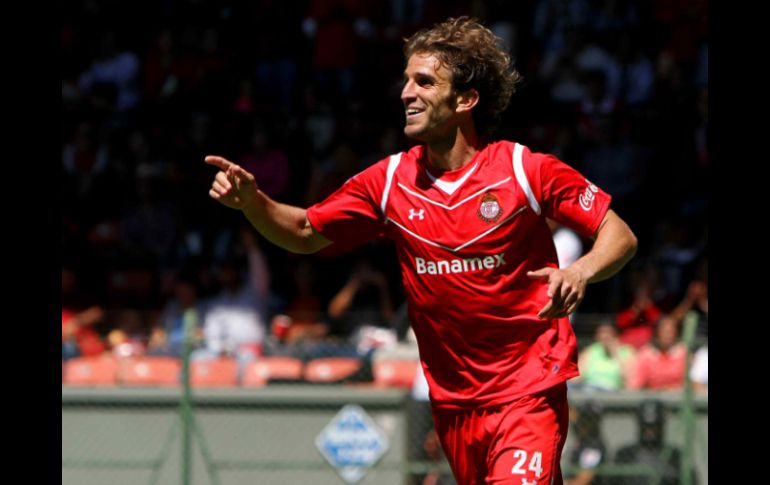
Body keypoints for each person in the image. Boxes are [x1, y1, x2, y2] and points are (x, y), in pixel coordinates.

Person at [205, 17, 637, 485]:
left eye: (425, 82)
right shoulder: (390, 181)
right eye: (406, 81)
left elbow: (620, 235)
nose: (406, 93)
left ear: (466, 100)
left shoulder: (526, 171)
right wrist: (254, 202)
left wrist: (580, 271)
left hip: (527, 392)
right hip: (453, 404)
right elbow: (306, 232)